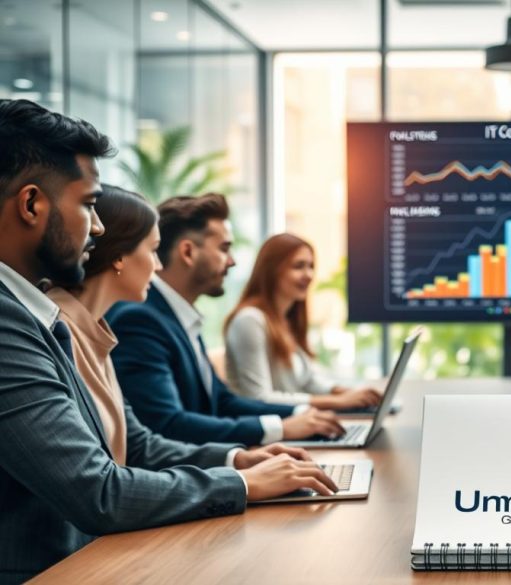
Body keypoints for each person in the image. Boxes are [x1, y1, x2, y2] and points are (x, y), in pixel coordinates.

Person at [0, 100, 336, 583]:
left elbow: (136, 445)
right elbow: (97, 493)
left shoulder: (40, 317)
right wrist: (241, 482)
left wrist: (238, 460)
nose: (97, 228)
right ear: (32, 204)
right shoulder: (11, 325)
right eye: (89, 205)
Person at [107, 193, 345, 446]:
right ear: (188, 252)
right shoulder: (141, 319)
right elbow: (167, 425)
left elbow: (221, 401)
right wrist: (279, 428)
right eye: (224, 248)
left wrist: (300, 416)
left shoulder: (178, 315)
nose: (231, 261)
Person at [223, 233, 382, 409]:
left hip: (289, 426)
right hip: (266, 432)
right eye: (298, 266)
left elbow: (307, 380)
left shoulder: (285, 319)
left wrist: (346, 393)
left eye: (311, 266)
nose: (309, 275)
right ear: (272, 270)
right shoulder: (250, 320)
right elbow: (259, 398)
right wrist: (338, 402)